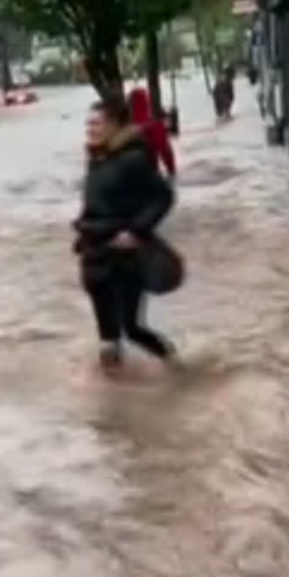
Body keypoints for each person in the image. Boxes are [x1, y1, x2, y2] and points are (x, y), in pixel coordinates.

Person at [74, 94, 177, 369]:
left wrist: (135, 230)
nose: (90, 130)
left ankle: (174, 364)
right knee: (107, 338)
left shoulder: (134, 159)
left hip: (126, 258)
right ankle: (113, 400)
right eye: (88, 125)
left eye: (96, 124)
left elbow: (163, 197)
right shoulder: (97, 158)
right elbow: (95, 203)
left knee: (130, 328)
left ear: (114, 125)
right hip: (95, 255)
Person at [127, 87, 177, 179]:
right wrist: (171, 170)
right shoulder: (154, 125)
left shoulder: (126, 127)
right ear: (147, 102)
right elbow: (165, 150)